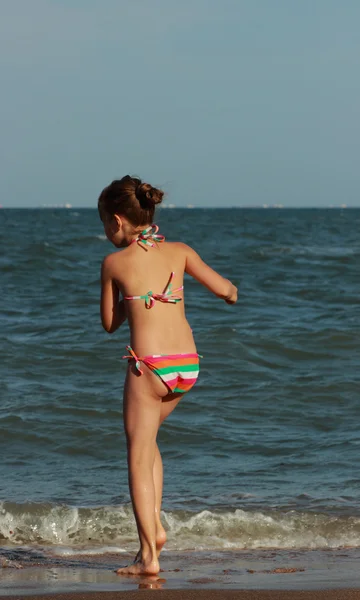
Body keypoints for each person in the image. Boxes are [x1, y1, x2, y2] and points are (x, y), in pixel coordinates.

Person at [98, 175, 238, 576]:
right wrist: (228, 293)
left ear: (119, 221)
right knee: (149, 440)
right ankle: (155, 529)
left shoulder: (114, 263)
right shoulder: (179, 251)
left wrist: (131, 298)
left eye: (105, 222)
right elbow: (226, 291)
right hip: (187, 365)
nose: (106, 231)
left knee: (137, 455)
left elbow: (110, 323)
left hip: (150, 367)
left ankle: (149, 556)